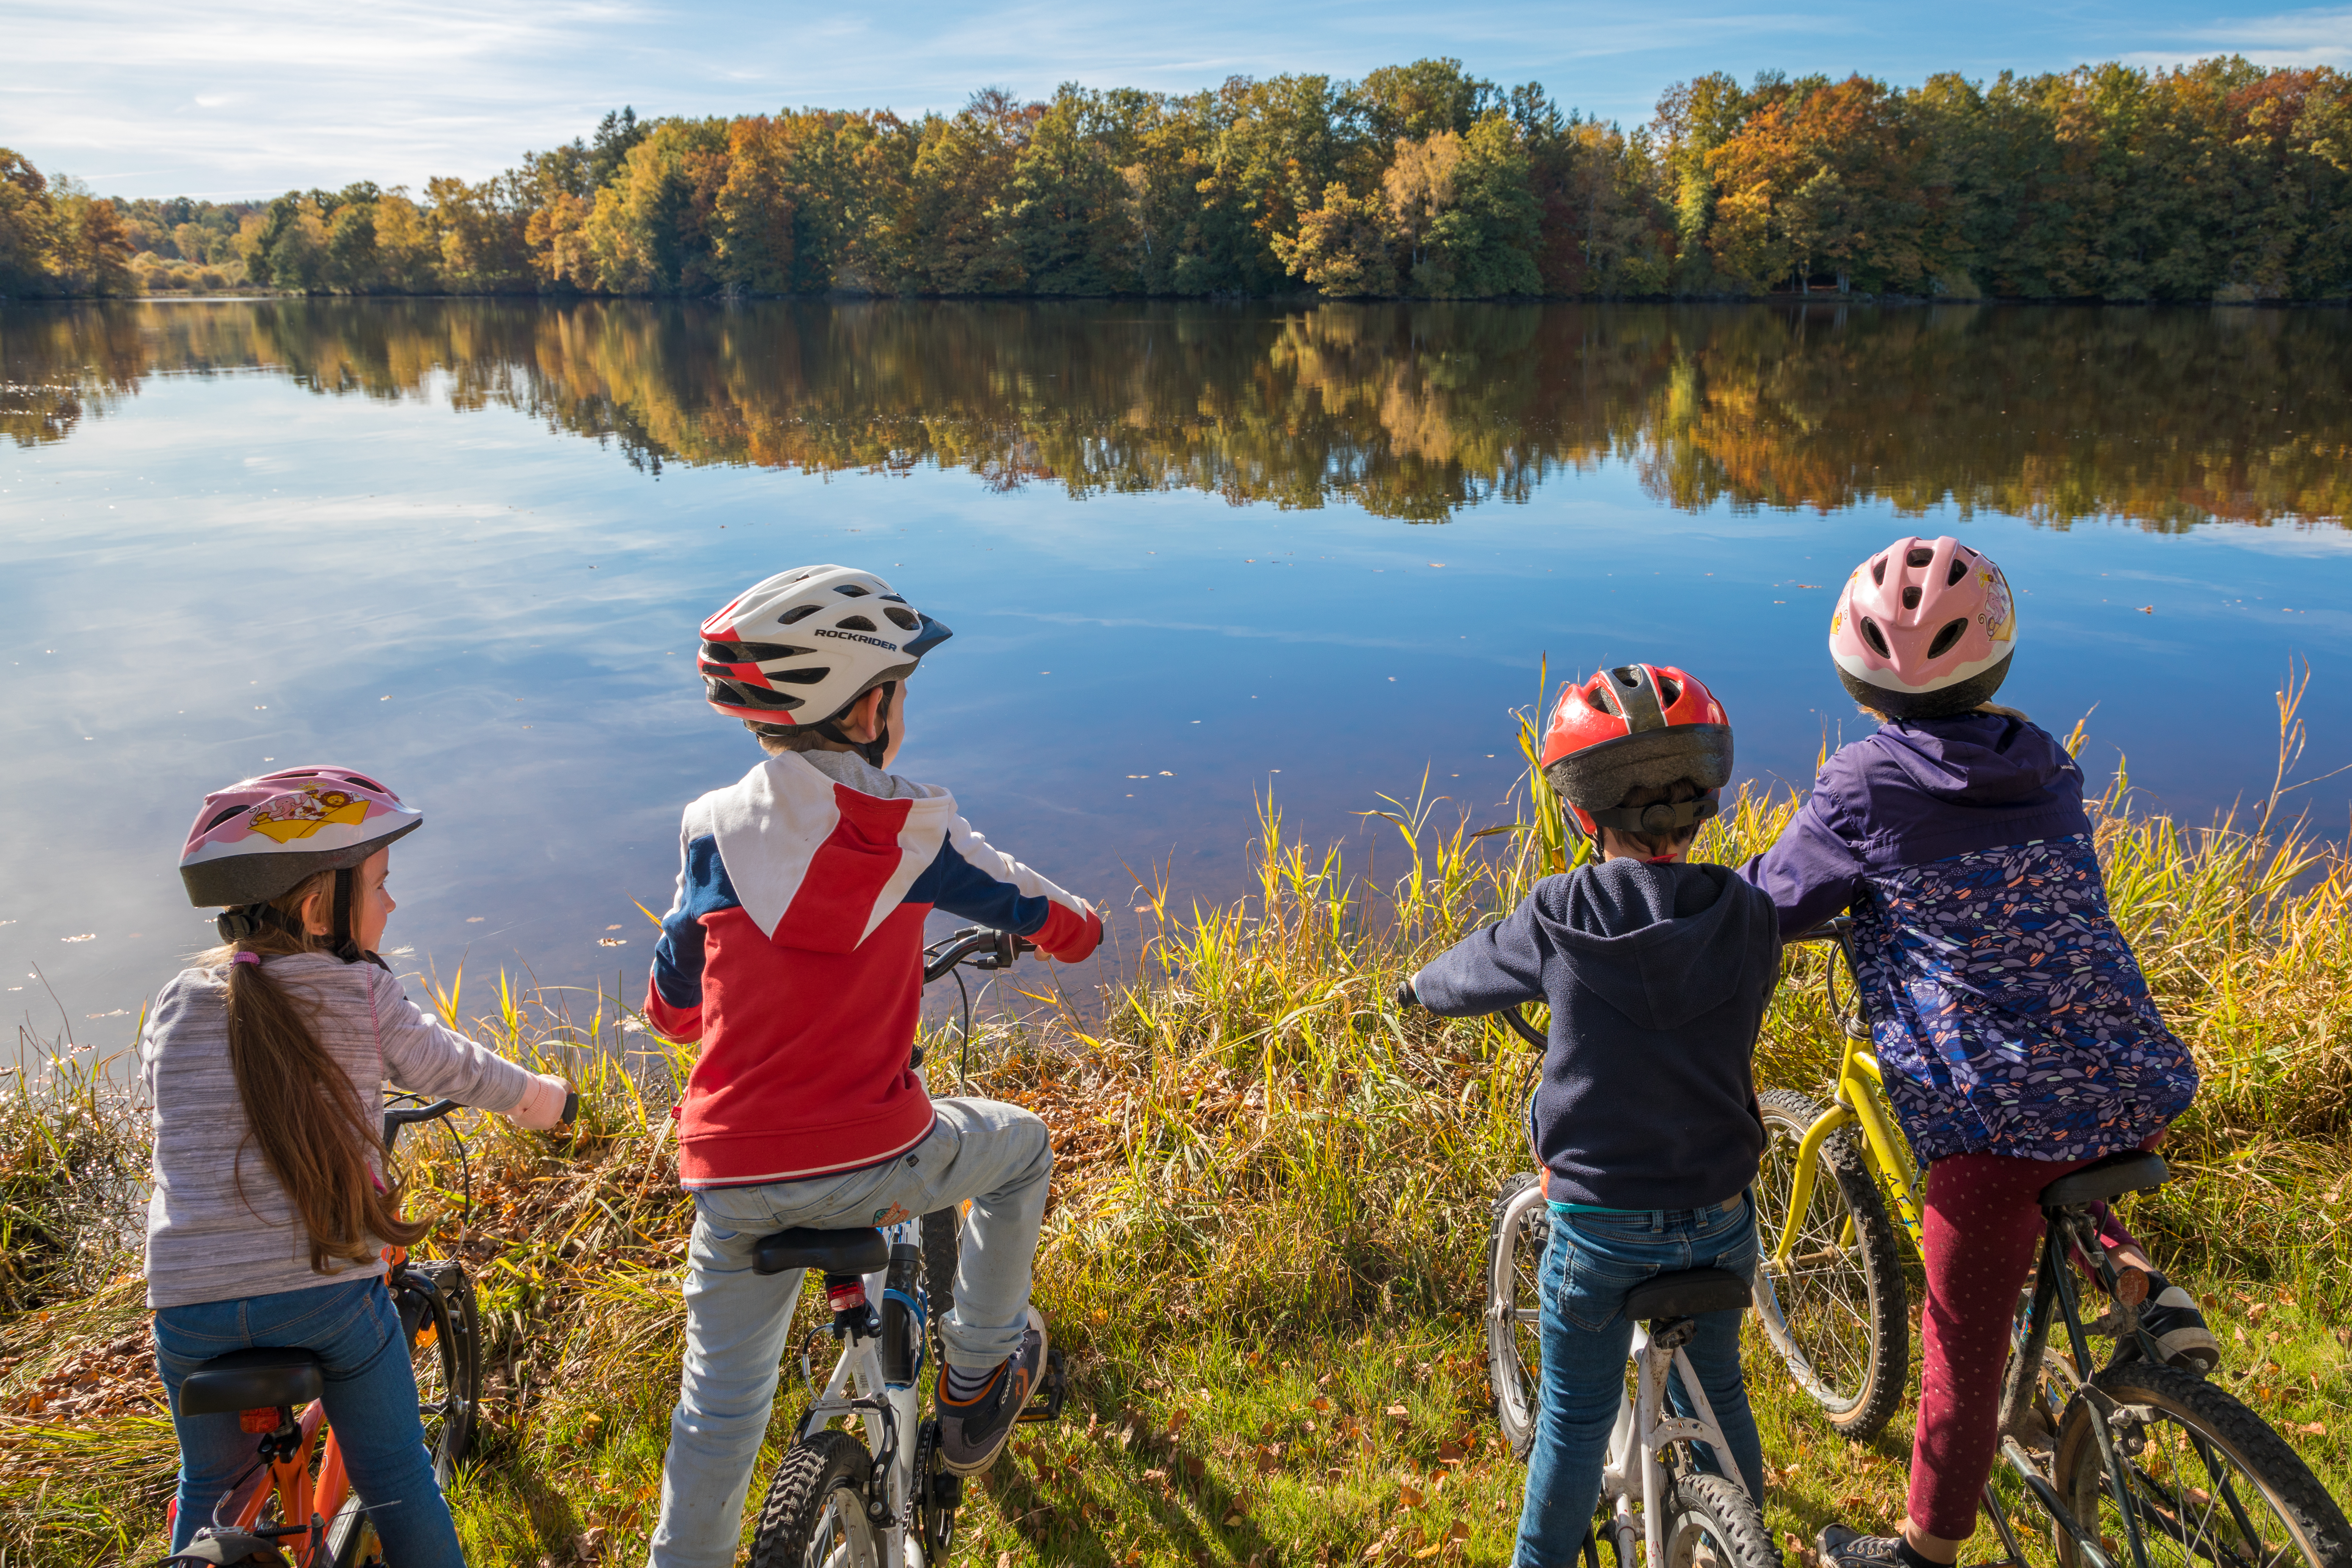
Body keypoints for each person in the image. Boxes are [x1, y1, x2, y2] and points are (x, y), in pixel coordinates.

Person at [1737, 536, 2210, 1568]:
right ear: (1996, 663)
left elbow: (1772, 900)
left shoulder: (1862, 783)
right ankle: (2130, 1273)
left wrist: (1688, 918)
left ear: (1857, 679)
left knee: (1963, 1339)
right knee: (2054, 1118)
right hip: (2127, 1077)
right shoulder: (2045, 760)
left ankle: (1923, 1548)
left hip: (1995, 1127)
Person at [642, 564, 1104, 1568]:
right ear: (869, 705)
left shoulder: (708, 830)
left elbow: (672, 1005)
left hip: (730, 1175)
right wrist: (1079, 927)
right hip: (875, 1154)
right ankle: (979, 1373)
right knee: (1021, 1145)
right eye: (899, 688)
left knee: (714, 1423)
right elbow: (1055, 917)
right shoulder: (915, 828)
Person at [1399, 663, 1781, 1568]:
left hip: (1602, 1228)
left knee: (1572, 1421)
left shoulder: (1557, 914)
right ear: (1704, 805)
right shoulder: (1751, 916)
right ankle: (1743, 1533)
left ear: (1581, 814)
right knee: (1721, 1392)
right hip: (1721, 1220)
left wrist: (1415, 988)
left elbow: (1468, 973)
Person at [152, 768, 574, 1565]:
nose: (391, 905)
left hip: (187, 1308)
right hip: (324, 1303)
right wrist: (549, 1100)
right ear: (319, 906)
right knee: (398, 1480)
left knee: (208, 1486)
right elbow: (459, 1069)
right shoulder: (361, 996)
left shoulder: (177, 1002)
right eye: (380, 884)